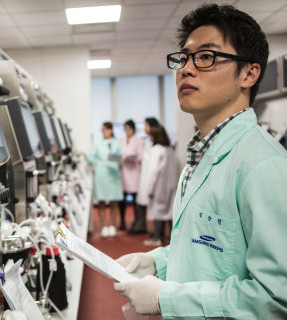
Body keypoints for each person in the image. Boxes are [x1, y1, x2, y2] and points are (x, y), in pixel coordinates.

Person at [113, 3, 287, 318]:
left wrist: (167, 298)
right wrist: (158, 262)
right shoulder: (200, 154)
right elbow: (209, 252)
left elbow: (276, 298)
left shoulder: (264, 166)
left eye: (206, 57)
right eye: (184, 57)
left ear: (248, 73)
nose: (186, 69)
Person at [142, 126, 177, 246]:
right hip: (171, 184)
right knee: (169, 212)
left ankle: (156, 237)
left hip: (159, 186)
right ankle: (170, 238)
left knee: (158, 211)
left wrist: (149, 189)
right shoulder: (169, 148)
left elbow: (153, 171)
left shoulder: (157, 149)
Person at [87, 122, 123, 238]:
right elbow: (91, 158)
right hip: (102, 174)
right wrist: (91, 159)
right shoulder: (97, 143)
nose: (104, 132)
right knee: (101, 202)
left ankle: (112, 226)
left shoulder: (116, 143)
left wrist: (115, 159)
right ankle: (103, 227)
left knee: (114, 202)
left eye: (106, 129)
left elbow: (118, 157)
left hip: (114, 174)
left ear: (111, 130)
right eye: (102, 130)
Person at [132, 117, 159, 234]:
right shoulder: (148, 141)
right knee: (142, 202)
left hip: (152, 178)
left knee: (156, 206)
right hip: (145, 176)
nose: (144, 128)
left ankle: (158, 232)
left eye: (146, 125)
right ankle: (142, 226)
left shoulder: (157, 144)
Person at [118, 120, 143, 231]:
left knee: (134, 201)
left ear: (133, 129)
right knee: (122, 200)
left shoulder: (138, 140)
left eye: (129, 128)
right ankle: (122, 222)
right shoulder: (120, 140)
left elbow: (140, 156)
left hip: (133, 173)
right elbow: (116, 154)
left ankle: (136, 222)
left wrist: (129, 158)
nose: (127, 131)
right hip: (123, 172)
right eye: (125, 128)